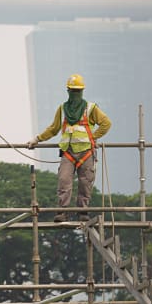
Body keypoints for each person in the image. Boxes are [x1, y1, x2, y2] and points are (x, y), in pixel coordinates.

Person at [27, 73, 112, 222]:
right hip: (68, 153)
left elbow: (106, 123)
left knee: (85, 183)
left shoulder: (90, 108)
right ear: (68, 91)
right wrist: (37, 139)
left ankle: (82, 211)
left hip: (86, 152)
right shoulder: (63, 109)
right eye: (73, 91)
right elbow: (53, 129)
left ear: (82, 91)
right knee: (64, 181)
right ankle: (63, 211)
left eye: (78, 91)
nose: (75, 94)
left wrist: (93, 137)